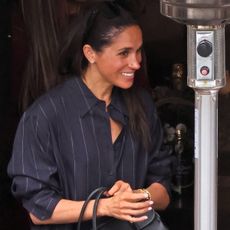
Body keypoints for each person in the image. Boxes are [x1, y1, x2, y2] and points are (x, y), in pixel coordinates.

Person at [7, 2, 173, 229]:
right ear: (90, 53)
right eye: (124, 53)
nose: (136, 63)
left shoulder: (142, 105)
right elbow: (39, 209)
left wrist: (136, 197)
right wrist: (106, 206)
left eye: (138, 51)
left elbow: (163, 191)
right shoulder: (44, 116)